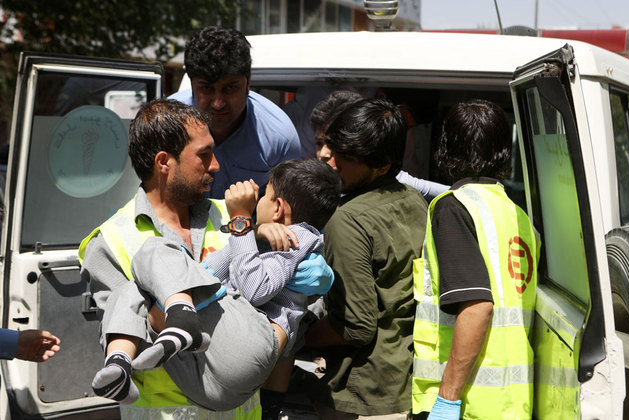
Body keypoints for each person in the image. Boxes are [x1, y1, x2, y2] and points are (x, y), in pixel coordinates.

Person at [79, 98, 263, 419]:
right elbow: (122, 334)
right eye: (203, 155)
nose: (216, 165)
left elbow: (265, 293)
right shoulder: (110, 240)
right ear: (164, 162)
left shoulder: (232, 216)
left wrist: (164, 302)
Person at [127, 159, 341, 414]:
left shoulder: (295, 238)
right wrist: (249, 232)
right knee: (133, 292)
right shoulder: (271, 236)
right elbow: (210, 271)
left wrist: (240, 220)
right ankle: (122, 362)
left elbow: (254, 290)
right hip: (216, 382)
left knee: (156, 248)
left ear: (278, 208)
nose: (258, 200)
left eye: (265, 195)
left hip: (252, 341)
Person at [411, 100, 540, 420]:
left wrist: (448, 400)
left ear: (445, 148)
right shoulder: (518, 216)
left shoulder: (454, 208)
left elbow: (478, 306)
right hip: (510, 402)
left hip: (469, 404)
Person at [305, 98, 428, 418]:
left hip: (362, 393)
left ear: (383, 165)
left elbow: (356, 326)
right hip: (404, 379)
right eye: (330, 147)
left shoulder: (348, 219)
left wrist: (299, 334)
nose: (329, 161)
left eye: (345, 159)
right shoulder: (413, 200)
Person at [169, 26, 300, 198]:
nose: (218, 103)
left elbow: (286, 210)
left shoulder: (280, 137)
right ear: (192, 84)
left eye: (230, 88)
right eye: (206, 89)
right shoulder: (166, 124)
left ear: (248, 82)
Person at [310, 90, 448, 202]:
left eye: (335, 146)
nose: (323, 153)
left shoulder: (393, 184)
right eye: (319, 143)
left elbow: (447, 192)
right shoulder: (311, 184)